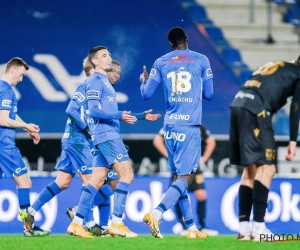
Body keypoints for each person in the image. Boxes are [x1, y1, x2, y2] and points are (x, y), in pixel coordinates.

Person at [67, 46, 161, 238]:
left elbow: (112, 114)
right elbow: (93, 110)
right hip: (107, 135)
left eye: (109, 54)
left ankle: (76, 224)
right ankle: (117, 223)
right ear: (95, 62)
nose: (109, 57)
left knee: (97, 180)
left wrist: (141, 116)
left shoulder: (104, 82)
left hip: (104, 136)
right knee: (126, 176)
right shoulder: (95, 81)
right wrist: (119, 115)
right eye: (104, 55)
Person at [23, 58, 116, 237]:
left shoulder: (95, 88)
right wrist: (87, 129)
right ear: (92, 70)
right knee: (92, 181)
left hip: (72, 140)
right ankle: (86, 223)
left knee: (63, 182)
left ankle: (31, 211)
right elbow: (71, 110)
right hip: (77, 141)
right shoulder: (86, 85)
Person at [140, 27, 214, 239]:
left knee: (178, 177)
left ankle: (190, 227)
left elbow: (146, 94)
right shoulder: (201, 60)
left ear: (170, 44)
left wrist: (143, 81)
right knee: (186, 178)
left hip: (169, 127)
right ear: (187, 39)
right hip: (189, 127)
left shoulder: (161, 61)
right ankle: (157, 213)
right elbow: (209, 94)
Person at [229, 57, 300, 241]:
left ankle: (244, 229)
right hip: (256, 110)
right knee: (268, 168)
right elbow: (296, 106)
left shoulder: (281, 66)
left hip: (238, 104)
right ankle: (259, 229)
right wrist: (293, 140)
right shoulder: (298, 73)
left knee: (250, 170)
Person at [153, 126, 219, 236]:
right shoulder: (173, 123)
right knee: (178, 194)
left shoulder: (198, 125)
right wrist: (169, 155)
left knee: (201, 195)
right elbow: (157, 140)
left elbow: (211, 141)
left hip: (194, 163)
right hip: (178, 163)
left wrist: (204, 158)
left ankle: (202, 227)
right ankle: (184, 227)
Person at [0, 57, 41, 235]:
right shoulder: (7, 90)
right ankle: (29, 227)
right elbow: (2, 119)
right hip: (5, 145)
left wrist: (26, 127)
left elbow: (9, 115)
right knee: (24, 182)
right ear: (12, 70)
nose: (21, 79)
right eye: (21, 75)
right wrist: (25, 126)